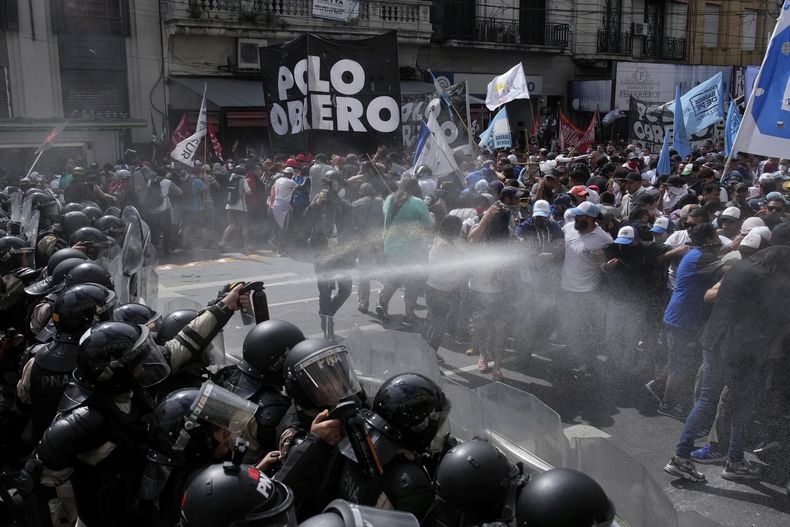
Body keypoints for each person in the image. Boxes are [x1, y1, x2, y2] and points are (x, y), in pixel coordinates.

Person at [664, 247, 790, 483]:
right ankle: (734, 461)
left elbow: (713, 295)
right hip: (741, 350)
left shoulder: (738, 268)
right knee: (741, 405)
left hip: (713, 341)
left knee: (705, 400)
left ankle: (681, 457)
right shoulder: (770, 280)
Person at [559, 201, 613, 369]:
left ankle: (588, 361)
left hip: (587, 290)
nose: (574, 217)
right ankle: (572, 355)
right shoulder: (569, 228)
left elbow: (609, 265)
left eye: (579, 215)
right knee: (570, 324)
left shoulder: (604, 239)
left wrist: (603, 261)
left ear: (589, 218)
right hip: (566, 287)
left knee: (586, 328)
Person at [376, 176, 433, 326]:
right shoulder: (417, 202)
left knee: (395, 278)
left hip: (390, 247)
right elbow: (429, 225)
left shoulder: (389, 199)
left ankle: (382, 303)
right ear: (416, 188)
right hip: (411, 250)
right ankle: (409, 315)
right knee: (412, 282)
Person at [424, 215, 464, 354]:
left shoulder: (439, 242)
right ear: (454, 229)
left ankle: (428, 352)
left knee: (435, 323)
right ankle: (430, 354)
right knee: (439, 326)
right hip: (440, 291)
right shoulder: (445, 247)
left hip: (435, 288)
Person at [349, 183, 384, 313]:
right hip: (379, 242)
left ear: (361, 193)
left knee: (364, 274)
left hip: (363, 243)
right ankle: (382, 302)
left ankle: (363, 303)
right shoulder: (382, 202)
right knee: (382, 274)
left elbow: (352, 227)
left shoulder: (355, 204)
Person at [219, 166, 252, 251]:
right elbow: (248, 192)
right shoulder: (243, 179)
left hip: (230, 205)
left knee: (231, 225)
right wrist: (248, 185)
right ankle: (246, 246)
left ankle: (222, 242)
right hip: (240, 206)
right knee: (244, 226)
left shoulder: (232, 178)